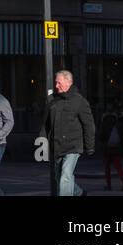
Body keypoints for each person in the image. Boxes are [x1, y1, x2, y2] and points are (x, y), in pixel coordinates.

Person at [41, 69, 95, 197]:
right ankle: (79, 192)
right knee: (60, 177)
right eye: (56, 83)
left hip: (73, 146)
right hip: (57, 146)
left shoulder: (79, 101)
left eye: (59, 83)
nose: (56, 86)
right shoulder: (51, 100)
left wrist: (90, 147)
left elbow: (89, 125)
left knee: (66, 175)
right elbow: (45, 124)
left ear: (68, 82)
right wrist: (42, 143)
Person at [99, 105, 123, 191]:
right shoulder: (118, 122)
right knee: (118, 167)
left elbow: (101, 136)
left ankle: (109, 185)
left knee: (107, 168)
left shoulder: (104, 122)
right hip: (117, 149)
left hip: (107, 150)